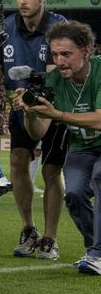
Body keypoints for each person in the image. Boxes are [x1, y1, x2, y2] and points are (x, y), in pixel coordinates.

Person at [17, 20, 101, 275]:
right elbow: (38, 131)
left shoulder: (99, 71)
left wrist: (59, 115)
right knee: (74, 194)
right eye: (55, 54)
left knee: (100, 177)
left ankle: (98, 253)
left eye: (67, 54)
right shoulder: (54, 80)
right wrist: (30, 113)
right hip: (81, 147)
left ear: (87, 51)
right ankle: (94, 248)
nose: (60, 61)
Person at [2, 0, 67, 260]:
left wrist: (30, 97)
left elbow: (57, 75)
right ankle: (29, 230)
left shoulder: (59, 27)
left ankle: (50, 239)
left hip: (53, 108)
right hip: (19, 106)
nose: (23, 1)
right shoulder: (5, 28)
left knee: (52, 170)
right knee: (17, 161)